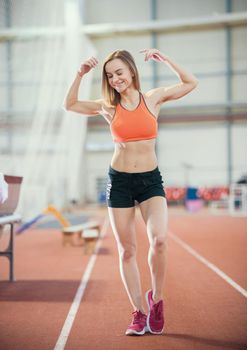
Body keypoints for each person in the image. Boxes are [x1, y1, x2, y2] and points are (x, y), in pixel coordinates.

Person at [64, 48, 198, 335]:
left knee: (159, 240)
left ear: (132, 71)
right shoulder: (107, 107)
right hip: (120, 182)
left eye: (119, 73)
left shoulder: (153, 98)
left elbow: (190, 83)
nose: (114, 79)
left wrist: (166, 59)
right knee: (127, 251)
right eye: (109, 75)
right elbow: (70, 104)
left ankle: (157, 300)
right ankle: (138, 311)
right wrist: (80, 74)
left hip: (150, 181)